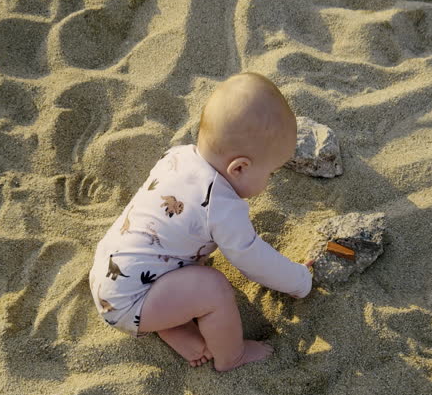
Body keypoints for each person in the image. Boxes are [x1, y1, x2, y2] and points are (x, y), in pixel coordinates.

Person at [88, 72, 312, 372]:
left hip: (106, 271)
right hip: (130, 301)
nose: (269, 183)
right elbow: (255, 260)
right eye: (270, 173)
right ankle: (231, 356)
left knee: (185, 260)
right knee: (214, 289)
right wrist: (299, 281)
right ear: (240, 168)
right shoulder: (220, 206)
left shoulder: (177, 156)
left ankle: (171, 327)